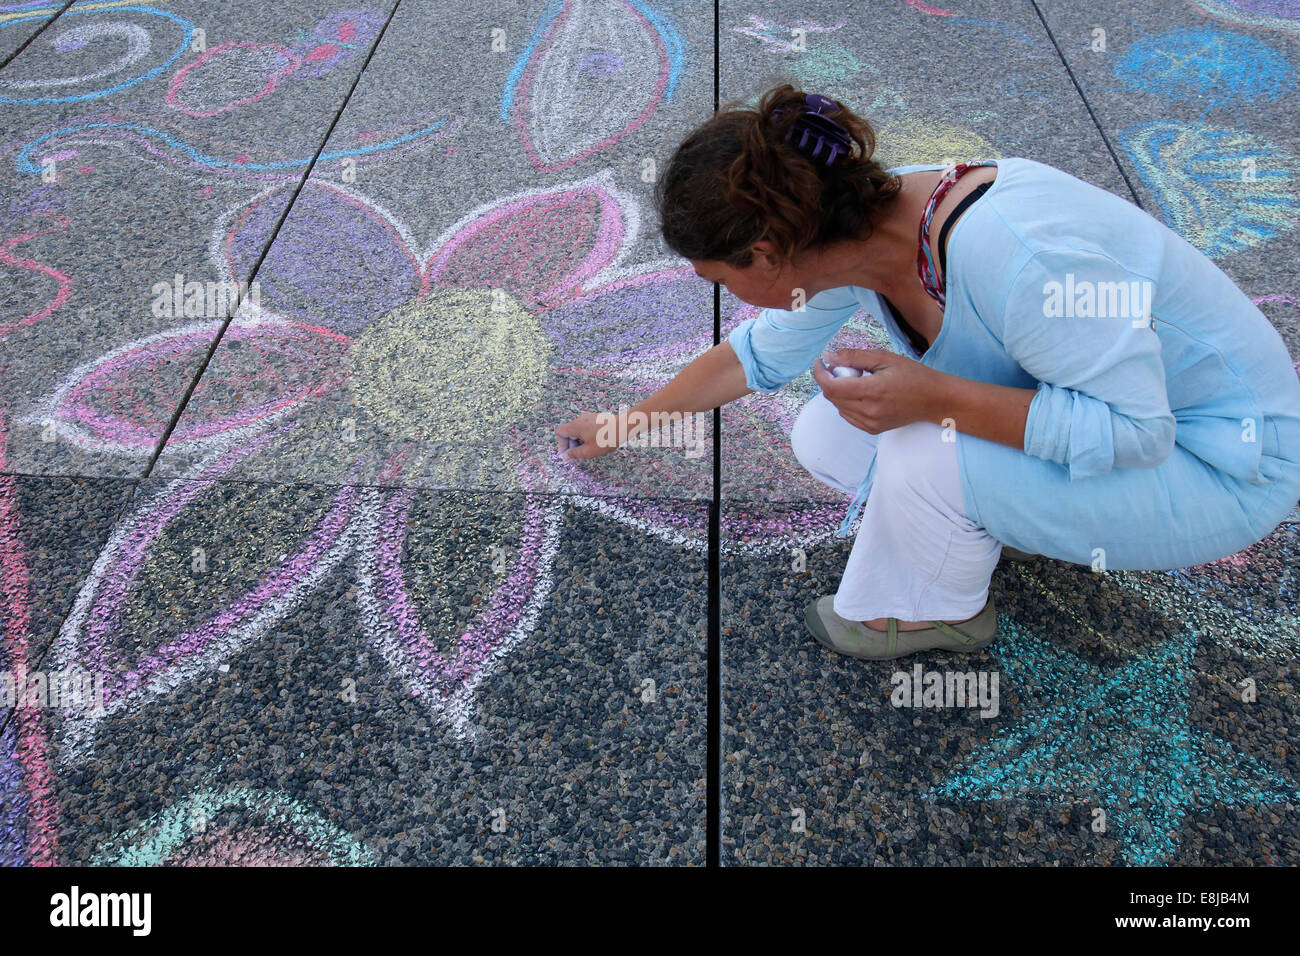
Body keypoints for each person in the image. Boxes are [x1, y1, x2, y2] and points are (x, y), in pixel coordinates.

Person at [555, 83, 1300, 661]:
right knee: (829, 431)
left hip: (1227, 465)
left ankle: (939, 609)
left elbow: (1140, 433)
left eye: (720, 278)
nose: (725, 295)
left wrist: (937, 399)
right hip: (1136, 428)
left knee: (919, 446)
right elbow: (756, 356)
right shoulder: (856, 225)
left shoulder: (1020, 259)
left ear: (767, 252)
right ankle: (988, 516)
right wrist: (628, 424)